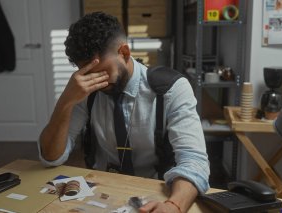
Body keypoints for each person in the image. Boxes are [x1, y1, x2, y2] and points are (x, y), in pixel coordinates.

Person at [38, 12, 209, 213]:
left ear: (125, 52)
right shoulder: (84, 90)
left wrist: (174, 206)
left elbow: (194, 161)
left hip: (158, 191)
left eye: (101, 71)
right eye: (85, 73)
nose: (96, 82)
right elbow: (51, 158)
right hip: (102, 192)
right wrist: (65, 101)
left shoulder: (172, 89)